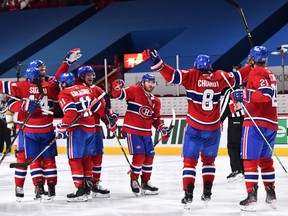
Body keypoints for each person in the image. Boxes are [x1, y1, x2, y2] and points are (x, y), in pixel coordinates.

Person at [142, 49, 251, 208]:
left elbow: (171, 75)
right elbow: (240, 76)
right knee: (208, 162)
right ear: (210, 67)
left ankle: (188, 194)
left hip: (194, 129)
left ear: (196, 65)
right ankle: (207, 192)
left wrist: (157, 63)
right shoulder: (220, 76)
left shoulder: (191, 75)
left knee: (189, 163)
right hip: (213, 129)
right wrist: (251, 64)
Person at [55, 49, 115, 198]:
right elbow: (59, 79)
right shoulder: (77, 87)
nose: (91, 77)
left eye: (92, 74)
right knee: (85, 157)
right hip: (86, 127)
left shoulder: (97, 89)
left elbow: (103, 109)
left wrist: (109, 120)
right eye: (88, 75)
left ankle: (93, 184)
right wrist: (66, 63)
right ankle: (86, 185)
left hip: (92, 128)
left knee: (96, 156)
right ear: (81, 77)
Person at [232, 46, 278, 211]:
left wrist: (244, 95)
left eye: (249, 58)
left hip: (255, 124)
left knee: (250, 160)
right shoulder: (269, 73)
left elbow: (264, 96)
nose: (247, 60)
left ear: (253, 59)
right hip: (270, 123)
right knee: (266, 161)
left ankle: (252, 196)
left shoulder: (256, 72)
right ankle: (270, 193)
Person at [111, 73, 171, 196]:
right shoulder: (135, 90)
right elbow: (117, 94)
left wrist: (162, 129)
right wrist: (116, 86)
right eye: (149, 82)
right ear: (143, 82)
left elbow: (156, 119)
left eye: (153, 82)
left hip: (146, 133)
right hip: (133, 130)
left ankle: (146, 182)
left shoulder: (156, 101)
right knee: (139, 156)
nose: (151, 84)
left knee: (149, 157)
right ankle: (134, 180)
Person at [6, 66, 59, 201]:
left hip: (29, 127)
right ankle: (21, 187)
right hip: (25, 128)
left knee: (35, 159)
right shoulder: (47, 84)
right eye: (40, 70)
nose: (43, 72)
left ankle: (39, 186)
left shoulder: (44, 84)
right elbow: (10, 105)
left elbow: (9, 101)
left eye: (44, 69)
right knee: (25, 158)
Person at [220, 63, 244, 182]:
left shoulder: (231, 90)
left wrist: (219, 120)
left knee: (233, 146)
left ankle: (237, 170)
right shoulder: (248, 88)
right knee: (243, 146)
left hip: (235, 121)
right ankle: (245, 169)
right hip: (247, 122)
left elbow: (224, 107)